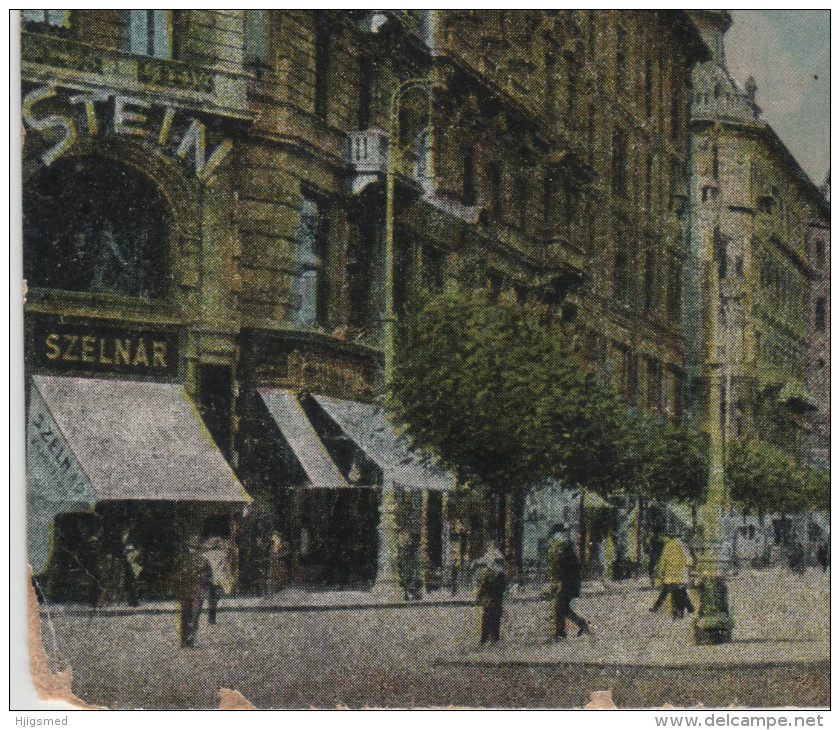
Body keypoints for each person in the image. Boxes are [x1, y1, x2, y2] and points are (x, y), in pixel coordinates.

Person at [546, 525, 591, 639]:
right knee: (563, 608)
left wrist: (559, 580)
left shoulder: (565, 549)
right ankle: (581, 624)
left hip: (568, 584)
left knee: (560, 607)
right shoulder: (566, 548)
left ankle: (560, 633)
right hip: (569, 583)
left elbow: (565, 568)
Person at [174, 537, 210, 648]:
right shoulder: (204, 561)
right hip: (196, 592)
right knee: (193, 617)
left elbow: (176, 576)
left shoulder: (183, 560)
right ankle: (189, 641)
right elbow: (209, 578)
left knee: (185, 616)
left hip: (186, 591)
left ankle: (184, 641)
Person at [650, 533, 694, 618]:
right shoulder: (683, 546)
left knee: (670, 591)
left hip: (670, 575)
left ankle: (658, 607)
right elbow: (689, 561)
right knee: (679, 591)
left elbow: (663, 561)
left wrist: (659, 573)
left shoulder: (667, 546)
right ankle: (689, 609)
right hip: (681, 575)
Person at [474, 545, 507, 644]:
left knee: (486, 616)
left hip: (487, 597)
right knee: (495, 617)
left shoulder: (483, 571)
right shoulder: (498, 573)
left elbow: (480, 584)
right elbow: (502, 586)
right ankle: (493, 637)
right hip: (495, 597)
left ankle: (484, 638)